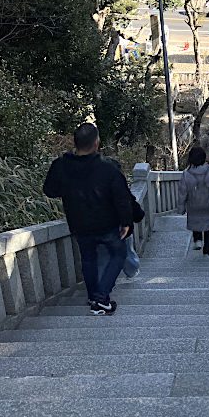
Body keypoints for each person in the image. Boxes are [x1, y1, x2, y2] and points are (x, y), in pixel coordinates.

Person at [43, 123, 133, 315]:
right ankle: (101, 298)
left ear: (74, 142)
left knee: (88, 258)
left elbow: (49, 190)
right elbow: (122, 197)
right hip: (107, 223)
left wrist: (68, 189)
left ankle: (94, 297)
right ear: (96, 143)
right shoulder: (107, 169)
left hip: (79, 223)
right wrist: (126, 222)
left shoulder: (60, 165)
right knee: (118, 254)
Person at [177, 146, 209, 255]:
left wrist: (181, 208)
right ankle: (208, 249)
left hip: (193, 205)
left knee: (196, 221)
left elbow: (182, 192)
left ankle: (197, 239)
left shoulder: (186, 174)